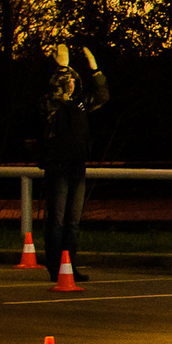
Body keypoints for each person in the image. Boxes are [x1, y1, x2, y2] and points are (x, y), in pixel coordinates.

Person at [41, 42, 108, 274]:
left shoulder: (80, 105)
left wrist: (94, 68)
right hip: (58, 166)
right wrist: (63, 68)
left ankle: (68, 266)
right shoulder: (52, 105)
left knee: (73, 223)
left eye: (72, 79)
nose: (71, 82)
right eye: (67, 79)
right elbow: (54, 93)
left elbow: (102, 95)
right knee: (57, 221)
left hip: (77, 167)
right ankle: (54, 266)